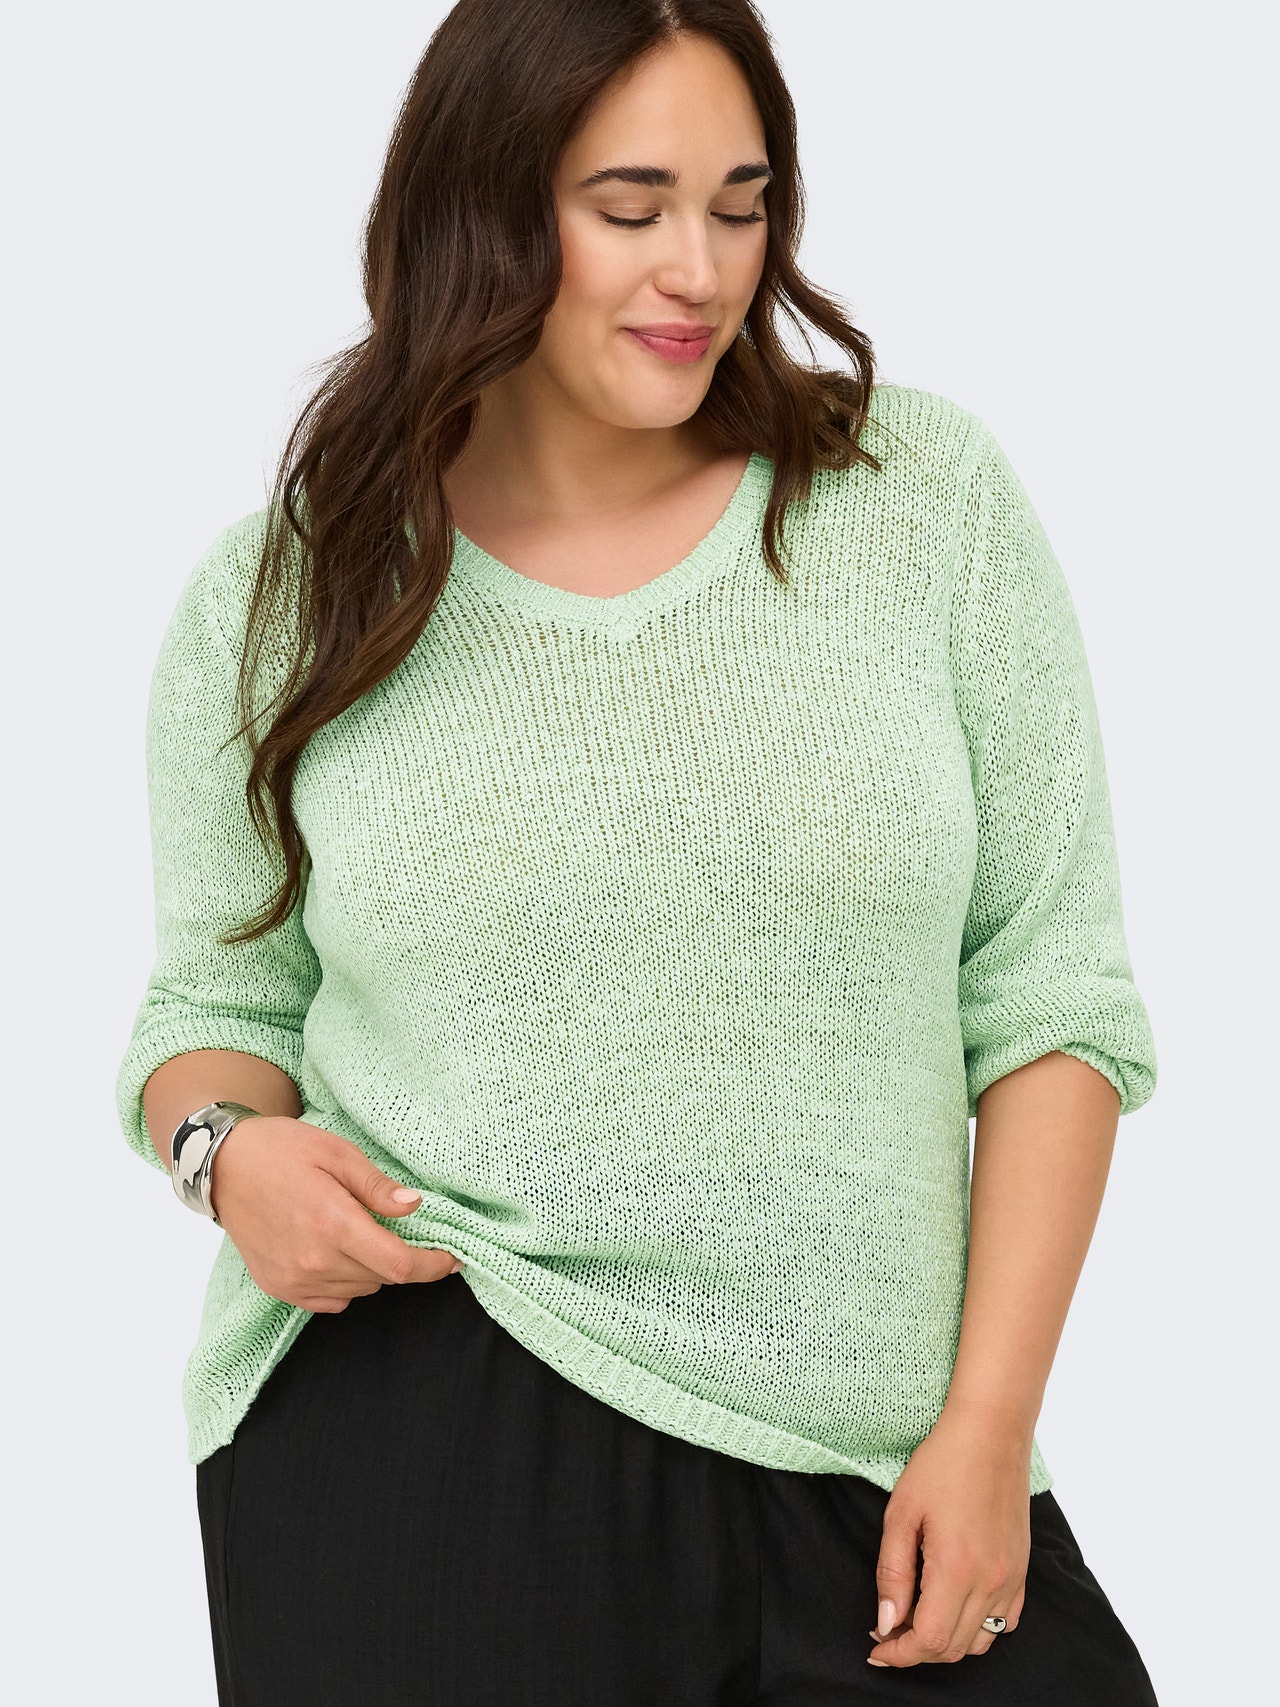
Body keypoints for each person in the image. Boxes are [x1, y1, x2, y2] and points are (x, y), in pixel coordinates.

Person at [115, 2, 1162, 1702]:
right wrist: (227, 1156)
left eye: (741, 206)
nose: (700, 270)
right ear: (479, 211)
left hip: (884, 1462)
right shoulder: (289, 595)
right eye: (630, 207)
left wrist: (989, 1425)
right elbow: (209, 1012)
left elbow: (1052, 1002)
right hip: (436, 1430)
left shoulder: (919, 502)